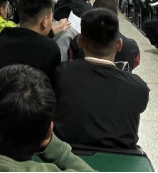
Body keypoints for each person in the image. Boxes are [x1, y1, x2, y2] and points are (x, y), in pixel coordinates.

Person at [55, 9, 149, 150]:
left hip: (65, 154)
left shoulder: (60, 74)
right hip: (121, 157)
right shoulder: (138, 87)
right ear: (119, 44)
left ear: (80, 42)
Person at [0, 0, 70, 107]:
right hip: (22, 110)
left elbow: (27, 40)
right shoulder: (50, 47)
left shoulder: (5, 34)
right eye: (51, 18)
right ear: (45, 21)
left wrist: (52, 32)